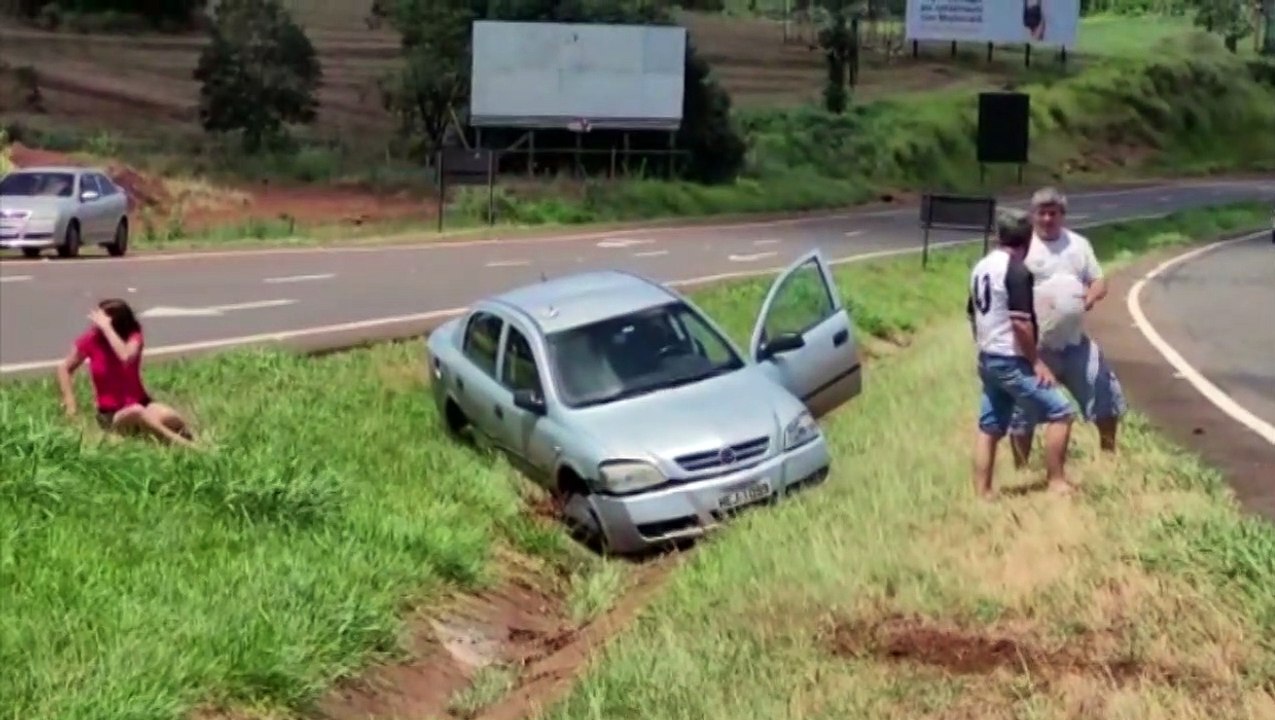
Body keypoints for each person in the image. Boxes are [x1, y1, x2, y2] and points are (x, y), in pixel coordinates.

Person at [1008, 187, 1126, 467]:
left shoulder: (1078, 244)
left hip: (1074, 342)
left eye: (1053, 213)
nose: (1047, 219)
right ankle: (1021, 467)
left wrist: (1090, 296)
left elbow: (1098, 280)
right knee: (1023, 409)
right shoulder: (1022, 246)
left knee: (1102, 389)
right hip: (1034, 347)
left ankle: (1109, 455)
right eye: (1042, 213)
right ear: (1033, 215)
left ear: (1062, 215)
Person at [967, 208, 1076, 499]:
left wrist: (984, 343)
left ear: (998, 236)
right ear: (1028, 239)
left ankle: (983, 491)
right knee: (1061, 412)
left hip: (988, 355)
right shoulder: (1016, 271)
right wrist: (1036, 362)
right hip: (1010, 358)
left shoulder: (980, 268)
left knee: (990, 427)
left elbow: (971, 313)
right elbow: (1020, 323)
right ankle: (1056, 482)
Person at [56, 298, 197, 448]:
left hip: (142, 403)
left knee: (169, 416)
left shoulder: (134, 336)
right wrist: (70, 403)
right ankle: (186, 447)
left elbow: (126, 357)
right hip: (112, 413)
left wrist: (107, 329)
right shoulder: (92, 339)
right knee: (136, 413)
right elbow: (64, 368)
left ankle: (183, 438)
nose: (96, 323)